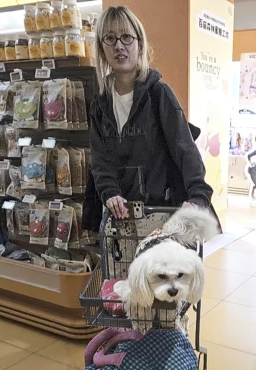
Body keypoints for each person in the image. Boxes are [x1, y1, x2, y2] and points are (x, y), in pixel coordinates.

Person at [82, 6, 213, 231]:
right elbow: (101, 161)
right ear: (102, 49)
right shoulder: (100, 103)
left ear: (139, 44)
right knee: (123, 267)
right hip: (120, 219)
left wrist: (198, 196)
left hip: (160, 216)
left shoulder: (159, 95)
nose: (119, 46)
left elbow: (186, 150)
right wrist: (110, 193)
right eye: (110, 39)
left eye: (126, 37)